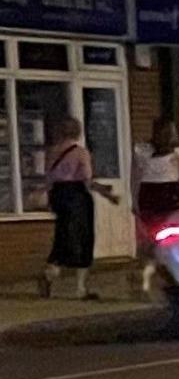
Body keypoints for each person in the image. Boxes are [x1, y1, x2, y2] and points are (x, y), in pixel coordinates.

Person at [39, 116, 105, 299]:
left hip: (59, 195)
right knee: (83, 238)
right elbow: (87, 180)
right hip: (77, 197)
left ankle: (49, 273)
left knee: (63, 236)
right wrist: (106, 193)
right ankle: (81, 288)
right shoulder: (81, 153)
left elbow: (49, 178)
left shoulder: (52, 152)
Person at [135, 116, 179, 230]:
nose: (164, 137)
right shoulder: (142, 151)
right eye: (160, 133)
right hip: (148, 195)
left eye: (168, 133)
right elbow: (135, 177)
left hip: (169, 194)